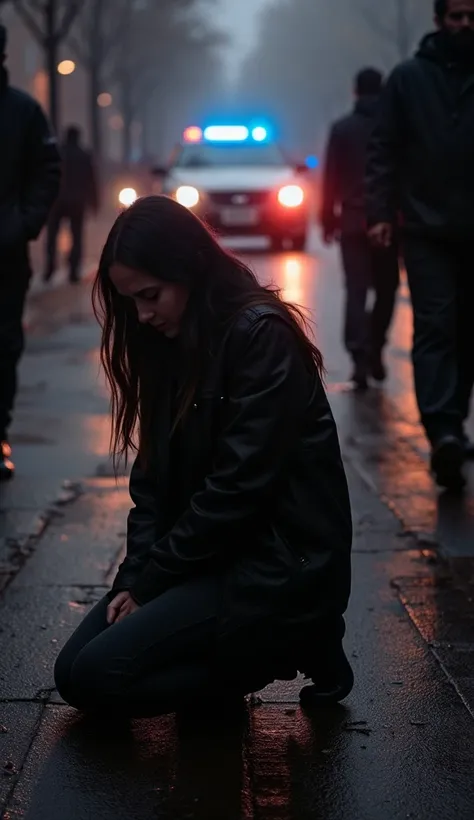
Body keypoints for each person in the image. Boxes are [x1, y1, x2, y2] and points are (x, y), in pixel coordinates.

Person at [54, 195, 354, 718]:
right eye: (130, 303)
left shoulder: (261, 337)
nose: (142, 315)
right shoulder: (166, 342)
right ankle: (214, 649)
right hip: (205, 556)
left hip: (272, 564)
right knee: (72, 673)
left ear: (189, 267)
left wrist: (152, 585)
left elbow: (239, 490)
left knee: (99, 677)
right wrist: (134, 577)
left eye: (150, 295)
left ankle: (292, 642)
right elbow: (150, 484)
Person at [366, 0, 474, 491]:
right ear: (439, 20)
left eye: (472, 16)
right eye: (456, 16)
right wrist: (381, 212)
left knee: (467, 330)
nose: (464, 25)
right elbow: (383, 146)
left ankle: (452, 418)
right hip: (427, 228)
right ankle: (442, 430)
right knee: (435, 324)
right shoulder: (408, 79)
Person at [0, 24, 60, 482]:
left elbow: (47, 170)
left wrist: (23, 225)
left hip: (5, 255)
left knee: (3, 349)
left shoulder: (22, 112)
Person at [321, 68, 400, 391]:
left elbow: (330, 179)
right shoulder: (394, 128)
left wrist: (327, 219)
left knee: (356, 290)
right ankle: (377, 344)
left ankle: (359, 356)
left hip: (352, 222)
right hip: (389, 223)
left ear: (355, 92)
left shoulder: (341, 129)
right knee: (386, 289)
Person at [44, 125, 99, 284]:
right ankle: (73, 270)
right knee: (77, 236)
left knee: (52, 236)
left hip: (56, 201)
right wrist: (94, 203)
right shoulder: (84, 155)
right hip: (77, 202)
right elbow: (91, 181)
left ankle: (50, 268)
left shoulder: (56, 153)